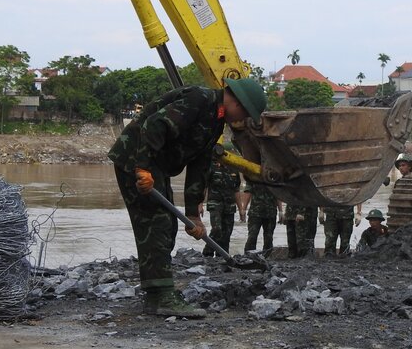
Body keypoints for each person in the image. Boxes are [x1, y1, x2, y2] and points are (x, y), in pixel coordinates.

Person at [107, 77, 267, 318]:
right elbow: (154, 126)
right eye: (244, 113)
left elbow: (199, 166)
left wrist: (193, 214)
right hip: (136, 158)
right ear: (236, 100)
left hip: (156, 166)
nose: (242, 120)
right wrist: (142, 167)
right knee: (156, 222)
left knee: (168, 224)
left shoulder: (216, 122)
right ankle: (161, 297)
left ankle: (158, 292)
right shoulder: (199, 100)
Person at [202, 158, 241, 257]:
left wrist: (241, 210)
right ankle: (208, 251)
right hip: (215, 203)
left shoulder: (234, 170)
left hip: (230, 205)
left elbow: (236, 191)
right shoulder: (212, 167)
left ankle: (223, 256)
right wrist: (200, 204)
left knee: (227, 233)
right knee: (217, 229)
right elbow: (204, 187)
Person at [243, 180, 282, 254]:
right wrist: (243, 209)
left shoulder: (274, 176)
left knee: (269, 238)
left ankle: (267, 258)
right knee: (252, 236)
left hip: (270, 213)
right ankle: (248, 257)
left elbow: (278, 194)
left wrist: (281, 211)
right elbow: (248, 192)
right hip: (255, 213)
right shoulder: (252, 176)